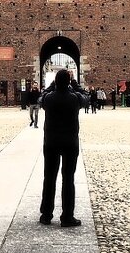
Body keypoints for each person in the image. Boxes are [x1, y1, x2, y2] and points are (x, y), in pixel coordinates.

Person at [39, 69, 88, 227]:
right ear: (68, 82)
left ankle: (46, 214)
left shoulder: (48, 99)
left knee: (49, 178)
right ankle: (67, 216)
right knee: (68, 179)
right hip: (70, 143)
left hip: (51, 142)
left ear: (55, 82)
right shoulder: (75, 98)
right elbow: (86, 97)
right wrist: (74, 84)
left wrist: (52, 85)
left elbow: (42, 95)